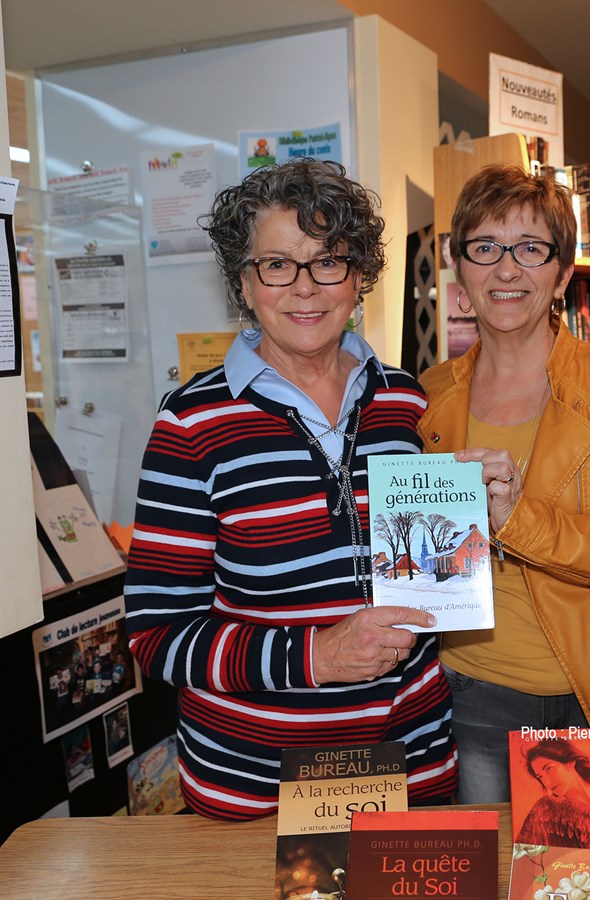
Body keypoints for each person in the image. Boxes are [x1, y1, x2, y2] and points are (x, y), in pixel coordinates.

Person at [124, 158, 457, 820]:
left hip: (412, 766)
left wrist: (483, 526)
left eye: (327, 261)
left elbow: (434, 580)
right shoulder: (191, 423)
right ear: (244, 285)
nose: (304, 288)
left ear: (358, 277)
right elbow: (156, 635)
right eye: (276, 265)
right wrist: (317, 656)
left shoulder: (407, 402)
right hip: (259, 787)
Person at [417, 163, 590, 801]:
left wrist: (520, 519)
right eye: (485, 248)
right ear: (460, 272)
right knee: (491, 884)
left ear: (563, 274)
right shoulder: (424, 399)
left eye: (531, 249)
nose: (507, 269)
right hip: (474, 692)